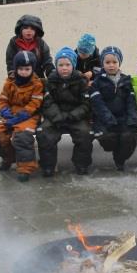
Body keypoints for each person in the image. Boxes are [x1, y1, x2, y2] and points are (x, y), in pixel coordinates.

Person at [37, 47, 93, 176]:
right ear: (56, 66)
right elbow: (47, 102)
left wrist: (73, 115)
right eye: (60, 65)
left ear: (73, 65)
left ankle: (81, 164)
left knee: (85, 134)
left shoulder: (81, 81)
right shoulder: (50, 81)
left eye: (68, 64)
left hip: (75, 117)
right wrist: (58, 116)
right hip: (55, 117)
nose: (64, 68)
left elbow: (86, 104)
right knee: (44, 133)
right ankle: (48, 166)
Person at [0, 51, 44, 182]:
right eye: (20, 69)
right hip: (11, 115)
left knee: (22, 136)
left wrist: (19, 117)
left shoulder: (37, 84)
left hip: (29, 116)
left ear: (32, 68)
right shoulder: (9, 83)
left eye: (27, 69)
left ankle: (25, 169)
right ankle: (9, 158)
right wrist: (5, 111)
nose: (24, 72)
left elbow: (35, 103)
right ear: (15, 68)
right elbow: (2, 99)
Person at [90, 46, 137, 171]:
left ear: (119, 63)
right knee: (109, 138)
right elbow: (98, 104)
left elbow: (131, 103)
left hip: (122, 118)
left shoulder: (126, 80)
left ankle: (120, 159)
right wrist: (108, 119)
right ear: (102, 63)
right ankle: (115, 149)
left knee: (129, 136)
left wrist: (133, 120)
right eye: (107, 62)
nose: (111, 65)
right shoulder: (97, 82)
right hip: (103, 119)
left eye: (114, 62)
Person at [5, 14, 54, 79]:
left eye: (32, 29)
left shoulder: (41, 43)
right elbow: (10, 62)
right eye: (25, 28)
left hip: (37, 79)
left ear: (36, 31)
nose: (29, 31)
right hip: (19, 79)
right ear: (20, 29)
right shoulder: (13, 42)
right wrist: (12, 77)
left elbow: (47, 62)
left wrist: (52, 76)